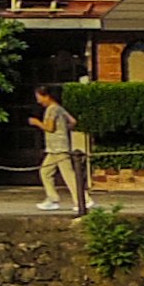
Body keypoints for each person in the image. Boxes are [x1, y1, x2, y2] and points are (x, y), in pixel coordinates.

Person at [36, 87, 89, 215]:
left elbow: (49, 127)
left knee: (69, 175)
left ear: (46, 96)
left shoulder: (52, 109)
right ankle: (53, 199)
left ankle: (83, 200)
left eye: (39, 97)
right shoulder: (60, 108)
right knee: (45, 172)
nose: (38, 101)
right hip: (56, 148)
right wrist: (64, 130)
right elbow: (73, 121)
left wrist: (36, 122)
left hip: (58, 148)